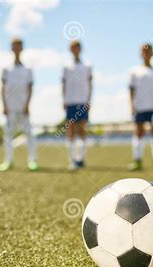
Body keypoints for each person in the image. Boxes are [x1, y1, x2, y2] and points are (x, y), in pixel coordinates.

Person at [0, 38, 37, 172]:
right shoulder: (6, 69)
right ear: (11, 48)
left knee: (29, 134)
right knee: (8, 134)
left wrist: (27, 105)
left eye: (18, 46)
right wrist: (4, 105)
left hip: (23, 108)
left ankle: (32, 160)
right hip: (10, 108)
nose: (16, 49)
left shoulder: (28, 69)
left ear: (21, 48)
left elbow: (30, 88)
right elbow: (2, 88)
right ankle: (8, 160)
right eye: (14, 46)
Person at [128, 43, 153, 171]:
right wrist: (132, 105)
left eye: (148, 51)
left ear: (152, 53)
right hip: (140, 107)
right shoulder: (134, 71)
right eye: (144, 51)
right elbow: (131, 90)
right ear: (140, 54)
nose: (146, 54)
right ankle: (137, 160)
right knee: (139, 133)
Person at [62, 40, 92, 170]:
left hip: (82, 101)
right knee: (71, 131)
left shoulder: (87, 65)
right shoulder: (66, 66)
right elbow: (63, 84)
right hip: (70, 102)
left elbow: (90, 84)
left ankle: (81, 158)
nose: (75, 50)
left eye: (76, 47)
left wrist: (88, 100)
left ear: (80, 49)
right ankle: (72, 159)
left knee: (82, 130)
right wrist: (64, 100)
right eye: (72, 48)